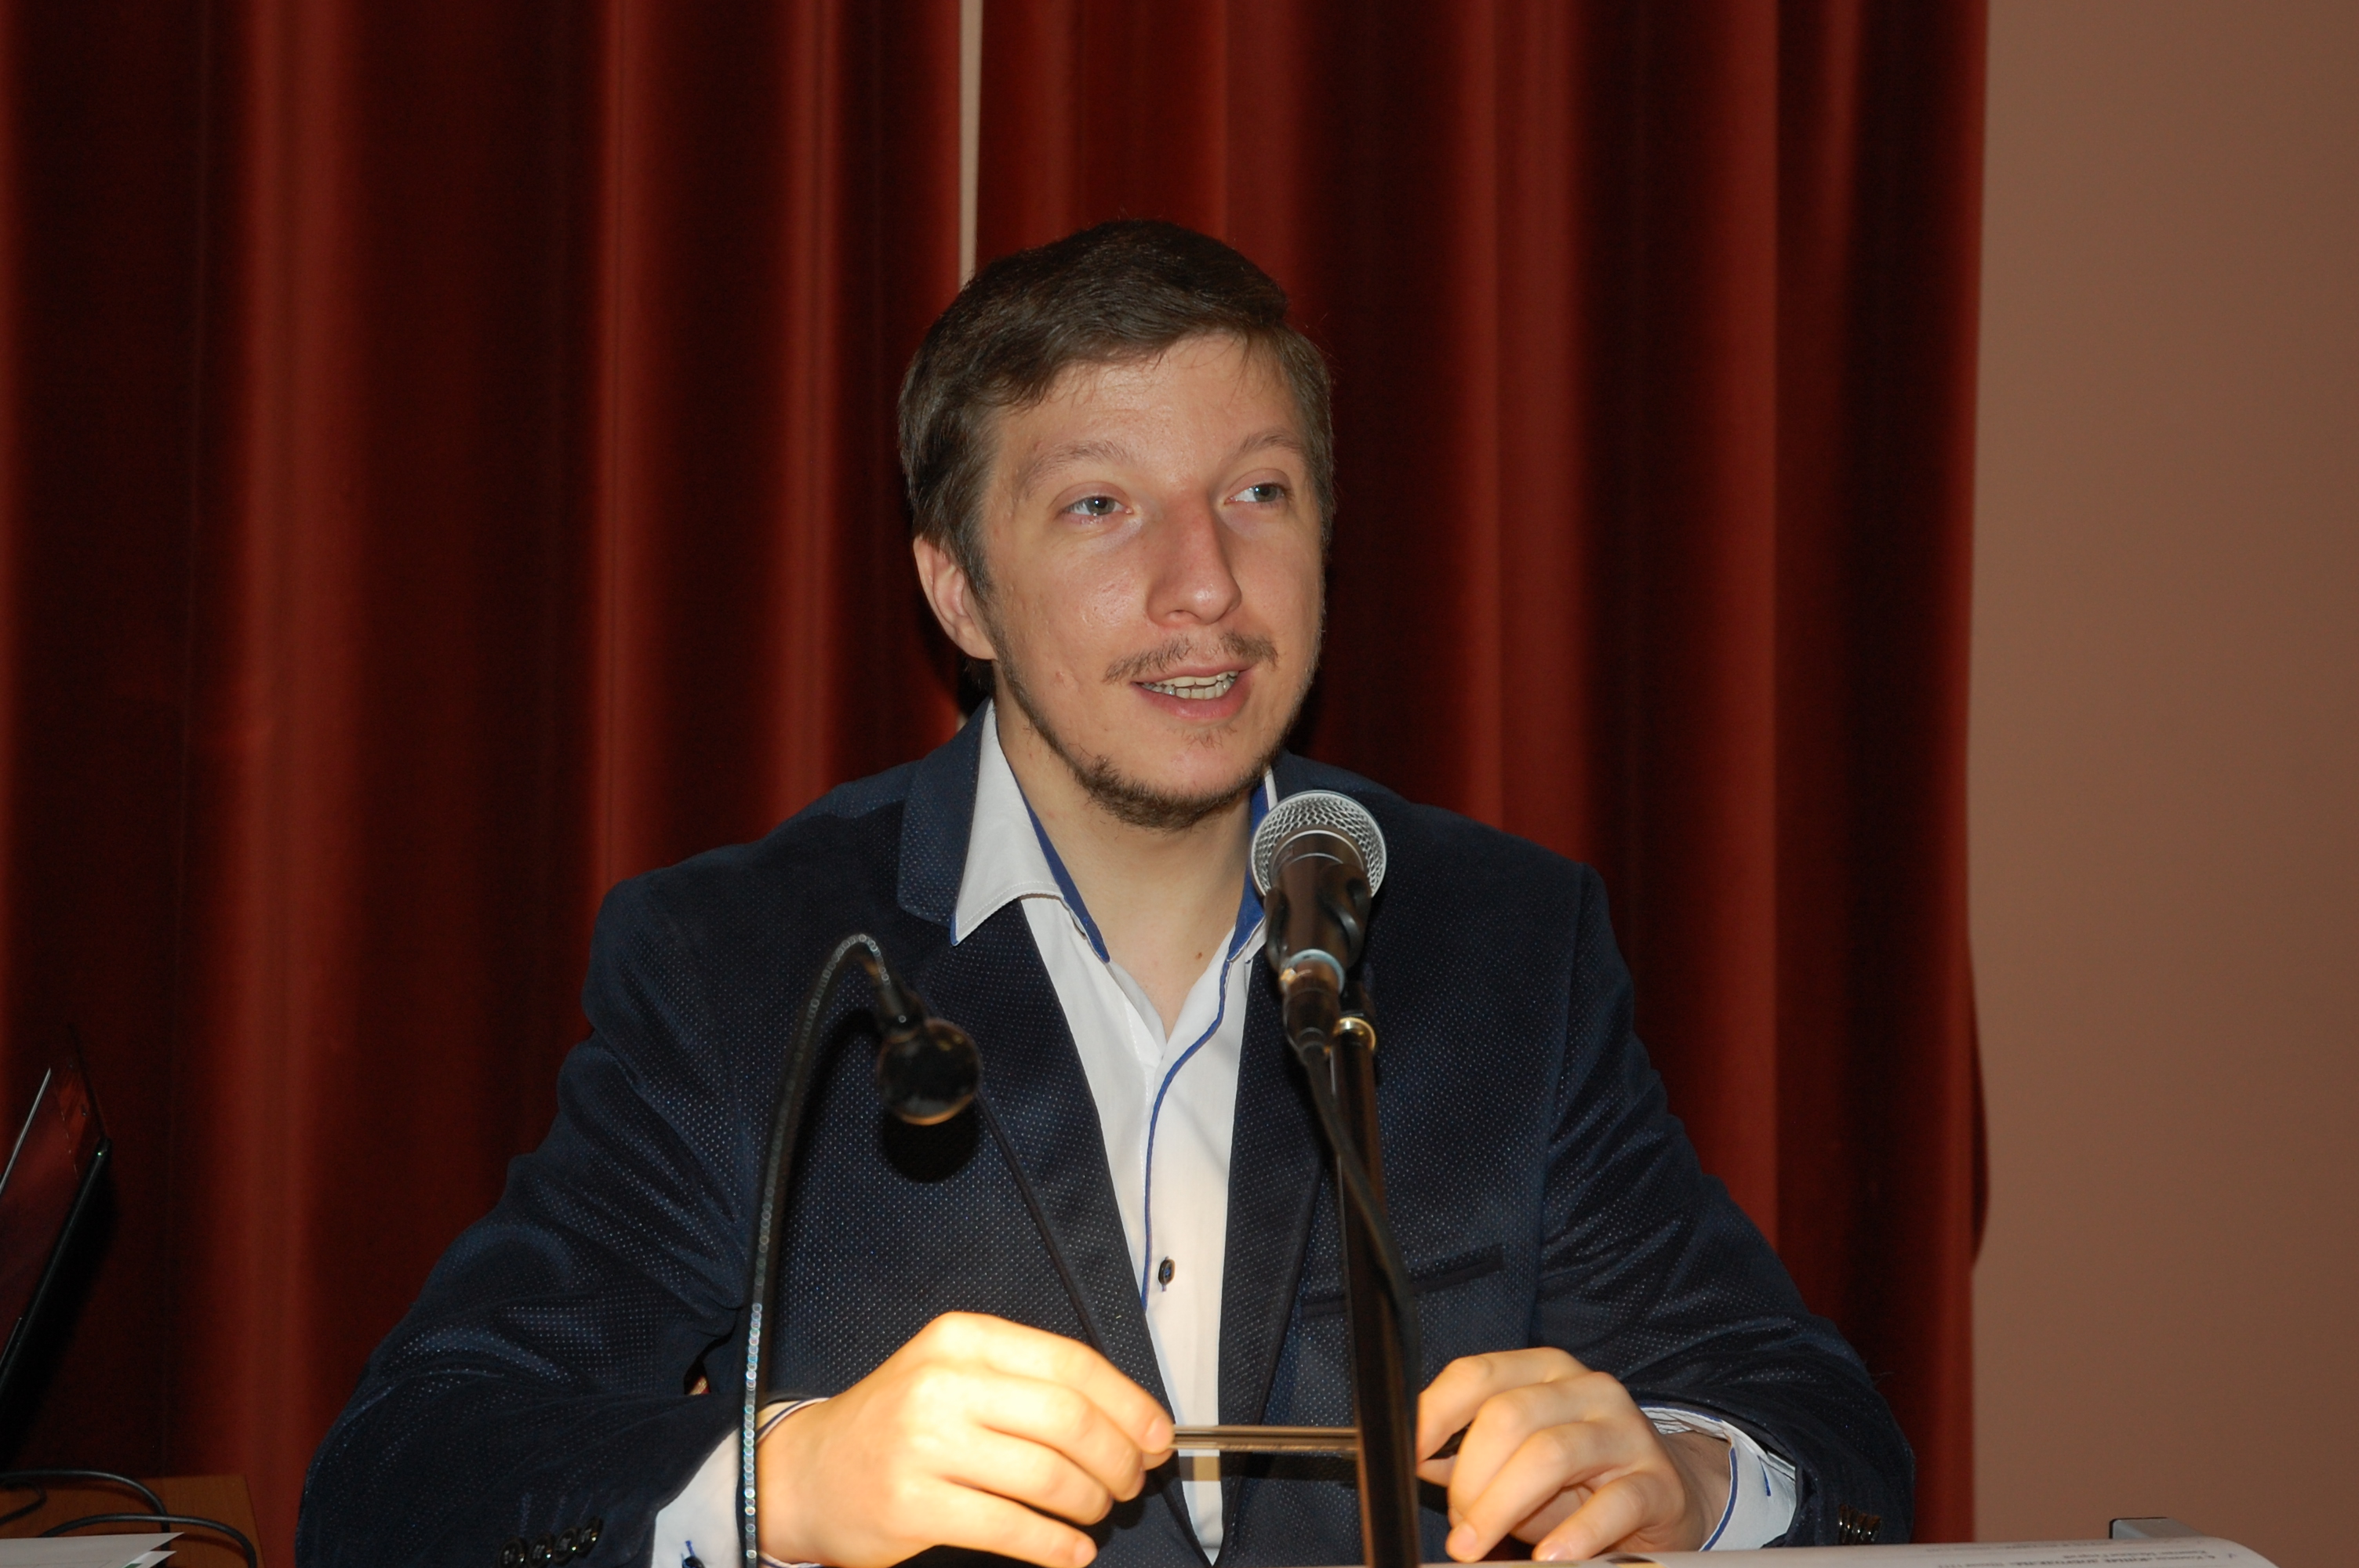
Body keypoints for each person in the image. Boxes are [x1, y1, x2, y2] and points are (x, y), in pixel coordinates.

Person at [298, 221, 1910, 1568]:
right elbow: (404, 1475)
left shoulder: (1504, 943)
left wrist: (1685, 1477)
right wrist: (783, 1479)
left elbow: (1823, 1435)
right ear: (959, 590)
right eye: (1099, 506)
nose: (1204, 583)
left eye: (1259, 493)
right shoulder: (744, 963)